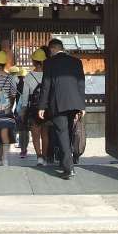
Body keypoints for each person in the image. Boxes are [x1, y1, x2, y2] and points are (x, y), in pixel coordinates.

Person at [37, 38, 85, 180]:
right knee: (68, 132)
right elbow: (81, 84)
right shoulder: (76, 62)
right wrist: (82, 106)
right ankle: (66, 162)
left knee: (62, 133)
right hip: (75, 103)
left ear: (52, 49)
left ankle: (69, 168)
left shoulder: (49, 63)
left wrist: (41, 106)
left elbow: (46, 85)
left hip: (58, 103)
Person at [23, 48, 48, 165]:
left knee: (35, 134)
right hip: (47, 107)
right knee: (45, 133)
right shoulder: (49, 75)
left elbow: (25, 96)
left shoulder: (28, 77)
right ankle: (45, 157)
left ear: (33, 61)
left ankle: (39, 157)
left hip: (34, 108)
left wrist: (23, 109)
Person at [14, 67, 30, 158]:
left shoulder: (16, 86)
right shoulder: (27, 84)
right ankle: (25, 148)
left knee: (21, 130)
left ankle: (22, 149)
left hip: (18, 110)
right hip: (27, 110)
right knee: (26, 131)